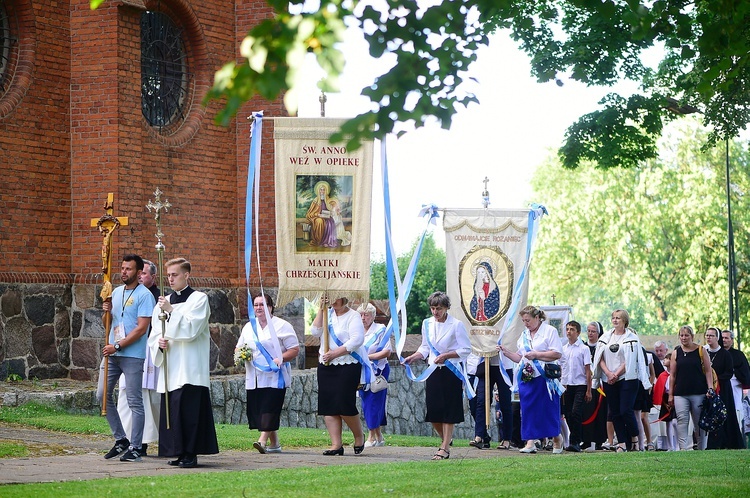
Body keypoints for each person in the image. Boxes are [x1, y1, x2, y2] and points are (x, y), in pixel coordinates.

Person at [148, 258, 219, 468]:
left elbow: (191, 329)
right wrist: (158, 344)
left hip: (190, 366)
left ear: (186, 275)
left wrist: (171, 310)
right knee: (173, 410)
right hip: (171, 365)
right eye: (168, 275)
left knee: (188, 412)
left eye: (174, 274)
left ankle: (190, 453)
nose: (170, 279)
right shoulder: (163, 302)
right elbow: (154, 332)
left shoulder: (199, 299)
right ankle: (177, 451)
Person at [98, 254, 156, 462]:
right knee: (102, 395)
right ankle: (121, 438)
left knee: (134, 402)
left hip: (131, 355)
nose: (124, 272)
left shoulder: (145, 295)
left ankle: (136, 447)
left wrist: (117, 345)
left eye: (128, 269)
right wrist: (106, 311)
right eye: (122, 268)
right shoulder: (116, 292)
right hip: (113, 354)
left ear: (139, 273)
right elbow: (108, 323)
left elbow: (141, 329)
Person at [404, 291, 471, 460]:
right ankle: (446, 440)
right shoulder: (426, 323)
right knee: (434, 410)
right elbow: (425, 347)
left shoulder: (456, 325)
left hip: (451, 371)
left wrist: (447, 355)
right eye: (433, 308)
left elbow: (465, 349)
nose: (435, 312)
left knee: (449, 409)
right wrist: (414, 356)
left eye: (439, 308)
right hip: (433, 370)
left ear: (446, 308)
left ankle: (444, 447)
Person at [237, 294, 300, 454]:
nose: (259, 308)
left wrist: (281, 359)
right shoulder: (249, 327)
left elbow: (294, 349)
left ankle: (262, 441)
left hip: (275, 376)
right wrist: (241, 354)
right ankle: (275, 444)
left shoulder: (282, 326)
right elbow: (239, 347)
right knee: (260, 409)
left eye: (262, 305)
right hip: (255, 376)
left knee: (270, 407)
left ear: (270, 307)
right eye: (256, 305)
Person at [498, 305, 564, 454]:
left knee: (547, 408)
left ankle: (556, 438)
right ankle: (530, 441)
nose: (526, 323)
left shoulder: (549, 331)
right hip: (527, 375)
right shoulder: (524, 335)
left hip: (545, 376)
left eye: (528, 320)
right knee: (527, 409)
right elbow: (520, 357)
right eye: (523, 321)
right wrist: (507, 353)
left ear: (537, 318)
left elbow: (557, 353)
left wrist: (536, 355)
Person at [311, 296, 369, 456]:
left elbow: (357, 339)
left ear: (344, 298)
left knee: (344, 403)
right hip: (326, 364)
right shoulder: (326, 314)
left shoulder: (353, 316)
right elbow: (315, 331)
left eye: (337, 297)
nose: (333, 300)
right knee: (328, 405)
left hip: (348, 364)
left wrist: (335, 353)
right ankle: (336, 444)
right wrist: (320, 309)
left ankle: (359, 435)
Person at [115, 260, 162, 457]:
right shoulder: (124, 292)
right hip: (124, 347)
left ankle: (142, 441)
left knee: (145, 397)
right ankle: (125, 437)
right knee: (126, 395)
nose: (141, 276)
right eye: (139, 273)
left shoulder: (156, 298)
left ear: (153, 277)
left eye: (144, 274)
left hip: (146, 350)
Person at [591, 309, 651, 452]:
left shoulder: (632, 338)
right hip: (609, 378)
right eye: (613, 318)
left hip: (627, 378)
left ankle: (634, 437)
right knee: (615, 412)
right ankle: (622, 443)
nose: (615, 320)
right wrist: (608, 373)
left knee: (626, 410)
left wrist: (616, 374)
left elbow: (631, 360)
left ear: (624, 321)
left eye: (618, 318)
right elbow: (599, 358)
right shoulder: (605, 338)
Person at [668, 325, 713, 450]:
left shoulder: (701, 350)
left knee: (699, 423)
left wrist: (710, 388)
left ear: (692, 337)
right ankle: (683, 448)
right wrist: (671, 394)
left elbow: (708, 371)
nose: (684, 338)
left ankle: (701, 448)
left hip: (699, 392)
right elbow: (672, 375)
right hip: (680, 393)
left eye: (686, 335)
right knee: (682, 421)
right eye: (681, 335)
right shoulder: (676, 353)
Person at [357, 303, 391, 447]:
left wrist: (368, 358)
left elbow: (387, 351)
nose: (363, 318)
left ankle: (371, 437)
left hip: (378, 371)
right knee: (366, 403)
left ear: (373, 316)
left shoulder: (380, 330)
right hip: (361, 372)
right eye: (361, 315)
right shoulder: (356, 330)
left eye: (366, 314)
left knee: (373, 403)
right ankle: (379, 436)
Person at [704, 327, 744, 449]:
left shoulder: (725, 354)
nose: (709, 338)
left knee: (725, 415)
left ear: (717, 338)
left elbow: (729, 372)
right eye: (707, 335)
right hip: (707, 389)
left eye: (711, 335)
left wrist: (716, 379)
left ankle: (728, 442)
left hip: (723, 389)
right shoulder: (704, 352)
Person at [560, 321, 591, 452]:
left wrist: (589, 389)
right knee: (567, 414)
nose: (569, 332)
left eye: (572, 329)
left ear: (578, 332)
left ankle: (575, 441)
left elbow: (588, 370)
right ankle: (575, 438)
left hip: (580, 384)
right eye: (567, 329)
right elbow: (563, 368)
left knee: (576, 412)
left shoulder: (584, 349)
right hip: (568, 385)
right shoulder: (564, 349)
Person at [581, 321, 607, 451]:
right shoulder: (583, 346)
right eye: (589, 331)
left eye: (593, 331)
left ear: (598, 333)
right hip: (587, 383)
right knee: (586, 411)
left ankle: (600, 440)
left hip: (600, 384)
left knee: (601, 412)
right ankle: (586, 439)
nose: (590, 334)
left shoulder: (602, 347)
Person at [721, 329, 750, 440]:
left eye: (726, 338)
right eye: (722, 338)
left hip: (734, 387)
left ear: (732, 340)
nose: (724, 340)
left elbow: (745, 373)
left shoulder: (738, 355)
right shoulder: (716, 353)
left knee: (735, 411)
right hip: (719, 386)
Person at [306, 181, 339, 248]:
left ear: (326, 191)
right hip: (318, 217)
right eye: (321, 190)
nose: (322, 191)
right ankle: (319, 241)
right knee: (319, 221)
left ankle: (328, 242)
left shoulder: (328, 200)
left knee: (330, 223)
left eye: (324, 190)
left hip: (327, 217)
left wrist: (331, 212)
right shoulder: (315, 200)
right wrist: (317, 214)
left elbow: (332, 209)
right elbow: (310, 213)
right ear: (318, 191)